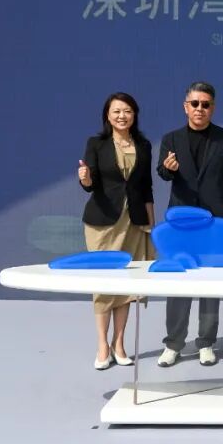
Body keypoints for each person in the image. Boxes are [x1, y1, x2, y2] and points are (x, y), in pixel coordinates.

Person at [155, 81, 223, 368]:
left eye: (205, 104)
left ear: (212, 108)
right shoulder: (171, 139)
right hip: (181, 223)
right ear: (185, 106)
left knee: (210, 284)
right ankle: (174, 343)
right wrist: (168, 169)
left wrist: (219, 203)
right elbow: (162, 173)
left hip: (215, 222)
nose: (200, 109)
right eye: (195, 104)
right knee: (179, 282)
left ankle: (206, 342)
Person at [78, 92, 155, 370]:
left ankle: (119, 343)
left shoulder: (144, 145)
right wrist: (86, 179)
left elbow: (146, 187)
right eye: (117, 111)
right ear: (108, 116)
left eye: (127, 111)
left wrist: (151, 224)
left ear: (135, 115)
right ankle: (102, 345)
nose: (122, 116)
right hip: (103, 223)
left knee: (126, 285)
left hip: (134, 223)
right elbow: (89, 183)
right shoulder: (96, 143)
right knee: (103, 283)